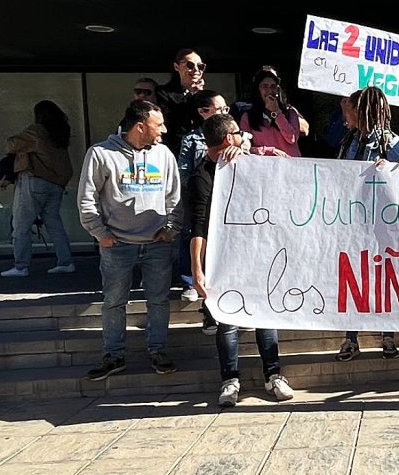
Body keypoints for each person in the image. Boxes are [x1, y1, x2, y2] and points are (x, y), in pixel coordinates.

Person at [188, 113, 294, 407]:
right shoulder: (202, 177)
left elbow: (286, 162)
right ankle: (230, 380)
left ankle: (273, 375)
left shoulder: (248, 161)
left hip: (258, 252)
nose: (245, 135)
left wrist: (250, 154)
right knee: (227, 320)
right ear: (226, 139)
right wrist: (197, 269)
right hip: (224, 259)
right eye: (238, 132)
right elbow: (198, 225)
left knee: (265, 314)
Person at [78, 101, 182, 381]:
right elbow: (87, 198)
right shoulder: (101, 153)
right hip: (117, 245)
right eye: (158, 125)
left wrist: (171, 228)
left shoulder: (164, 154)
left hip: (157, 244)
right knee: (114, 301)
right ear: (140, 126)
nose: (164, 130)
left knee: (158, 301)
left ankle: (158, 351)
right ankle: (114, 355)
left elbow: (175, 197)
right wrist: (100, 233)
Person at [335, 87, 399, 361]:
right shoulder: (349, 140)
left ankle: (387, 335)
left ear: (361, 111)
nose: (347, 115)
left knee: (383, 278)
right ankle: (350, 337)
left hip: (381, 223)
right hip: (353, 220)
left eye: (350, 110)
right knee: (352, 278)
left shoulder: (390, 142)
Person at [0, 100, 76, 277]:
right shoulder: (60, 132)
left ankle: (21, 266)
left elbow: (11, 144)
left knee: (20, 224)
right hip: (56, 184)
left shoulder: (36, 131)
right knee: (54, 224)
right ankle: (65, 262)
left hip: (35, 181)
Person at [175, 89, 230, 331]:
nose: (224, 113)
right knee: (198, 240)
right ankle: (206, 306)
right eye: (219, 109)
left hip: (228, 209)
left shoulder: (236, 137)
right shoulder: (192, 139)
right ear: (203, 112)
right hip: (203, 199)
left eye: (226, 110)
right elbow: (183, 173)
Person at [240, 66, 309, 158]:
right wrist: (269, 150)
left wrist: (276, 112)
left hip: (291, 165)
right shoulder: (248, 117)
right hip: (265, 166)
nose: (269, 91)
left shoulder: (290, 113)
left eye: (273, 87)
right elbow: (245, 147)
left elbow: (292, 138)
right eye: (265, 86)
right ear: (258, 90)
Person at [155, 48, 206, 155]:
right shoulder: (163, 92)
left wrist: (200, 97)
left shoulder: (206, 96)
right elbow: (171, 122)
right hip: (175, 151)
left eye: (200, 66)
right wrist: (191, 96)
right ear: (176, 67)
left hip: (202, 152)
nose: (196, 70)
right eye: (190, 65)